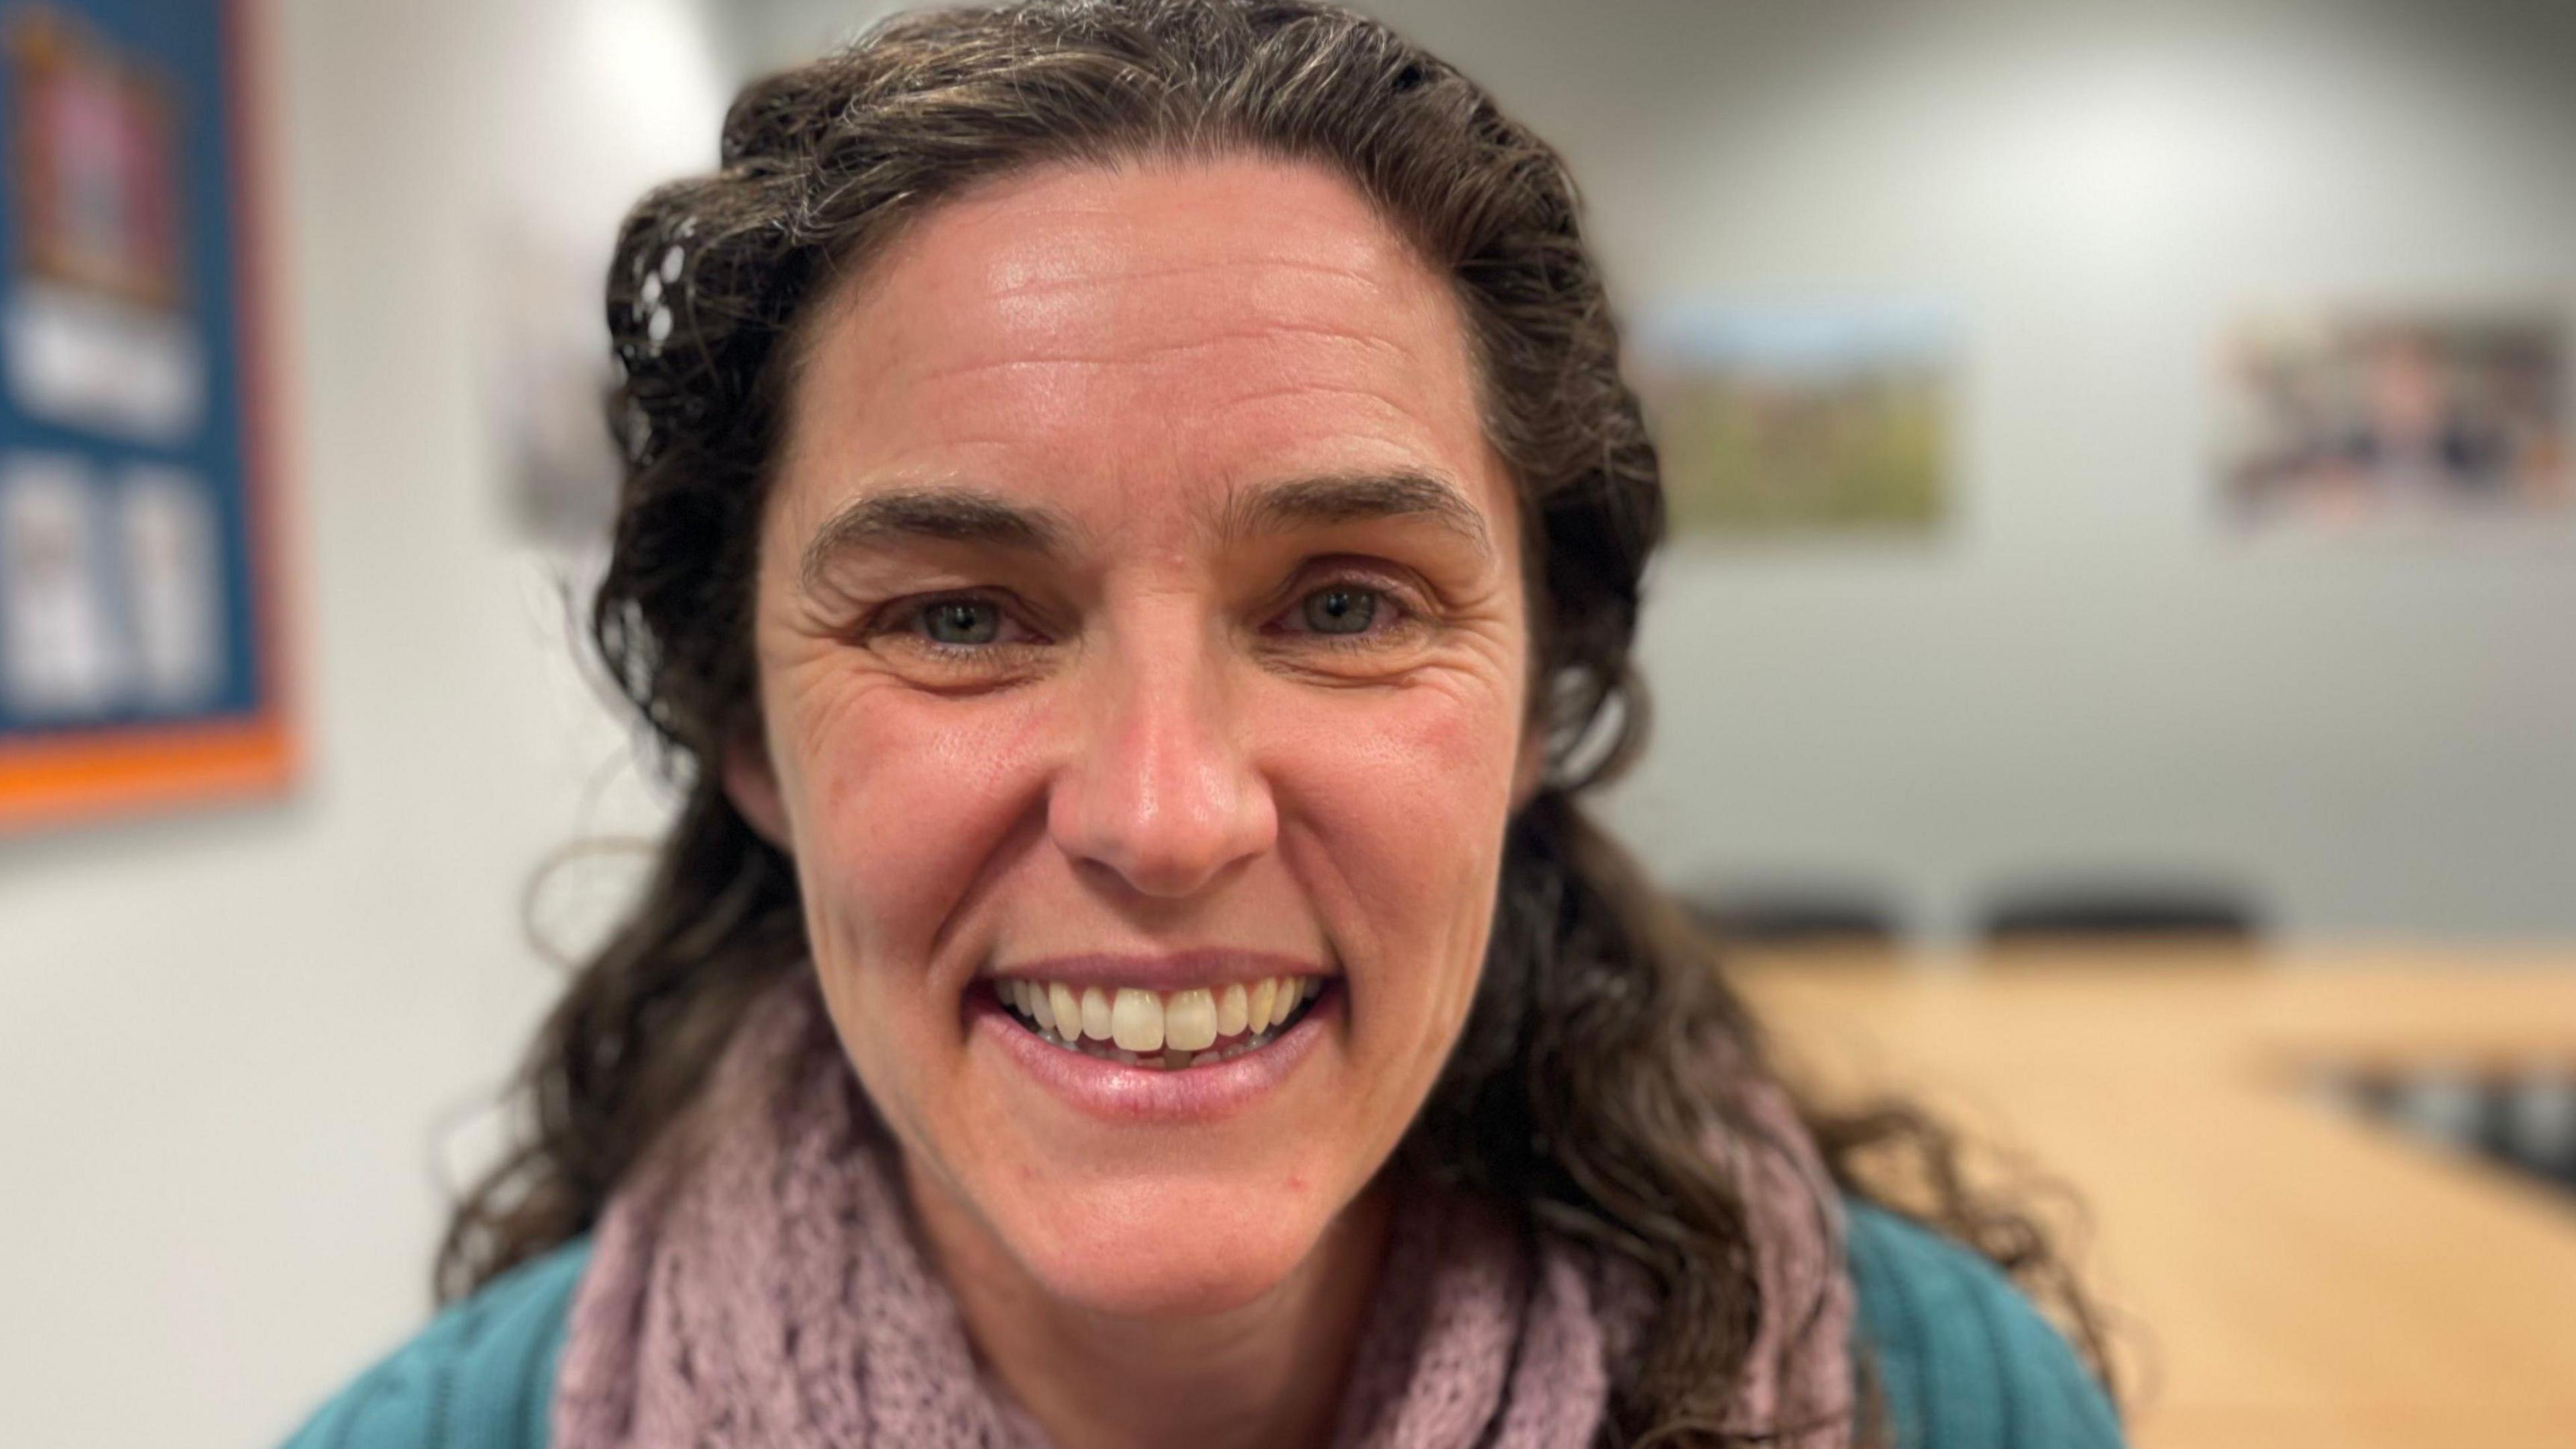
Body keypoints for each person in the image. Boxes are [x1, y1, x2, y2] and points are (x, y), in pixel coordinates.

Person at [285, 3, 2123, 1446]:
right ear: (747, 730)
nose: (1165, 818)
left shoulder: (1942, 1404)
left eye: (1342, 607)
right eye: (956, 618)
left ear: (1534, 711)